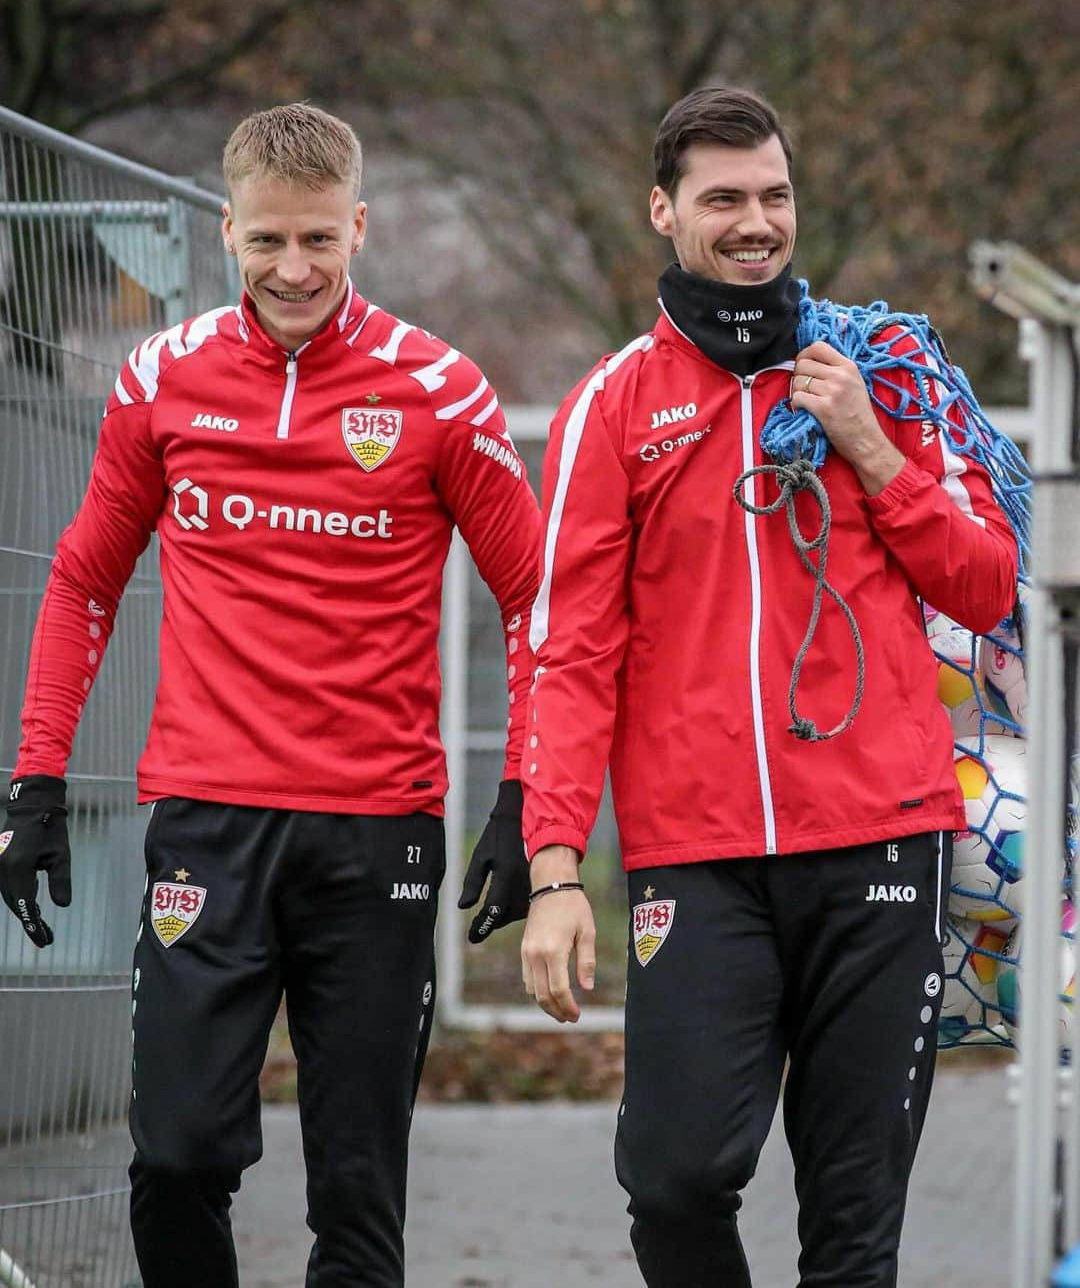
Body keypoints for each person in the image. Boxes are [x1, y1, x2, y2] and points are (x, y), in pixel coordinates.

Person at [0, 103, 538, 1288]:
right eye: (266, 244)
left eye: (319, 243)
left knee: (357, 1193)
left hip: (377, 837)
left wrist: (524, 802)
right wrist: (35, 779)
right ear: (227, 230)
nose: (293, 271)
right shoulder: (160, 376)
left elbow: (538, 601)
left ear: (358, 228)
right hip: (209, 825)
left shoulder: (441, 391)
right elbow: (84, 579)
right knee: (179, 1160)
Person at [519, 85, 1018, 1287]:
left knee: (855, 1232)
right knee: (677, 1183)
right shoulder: (610, 405)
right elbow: (568, 651)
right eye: (724, 198)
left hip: (883, 844)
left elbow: (987, 582)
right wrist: (553, 869)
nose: (756, 221)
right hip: (698, 861)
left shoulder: (881, 372)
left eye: (775, 196)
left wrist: (872, 446)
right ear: (664, 210)